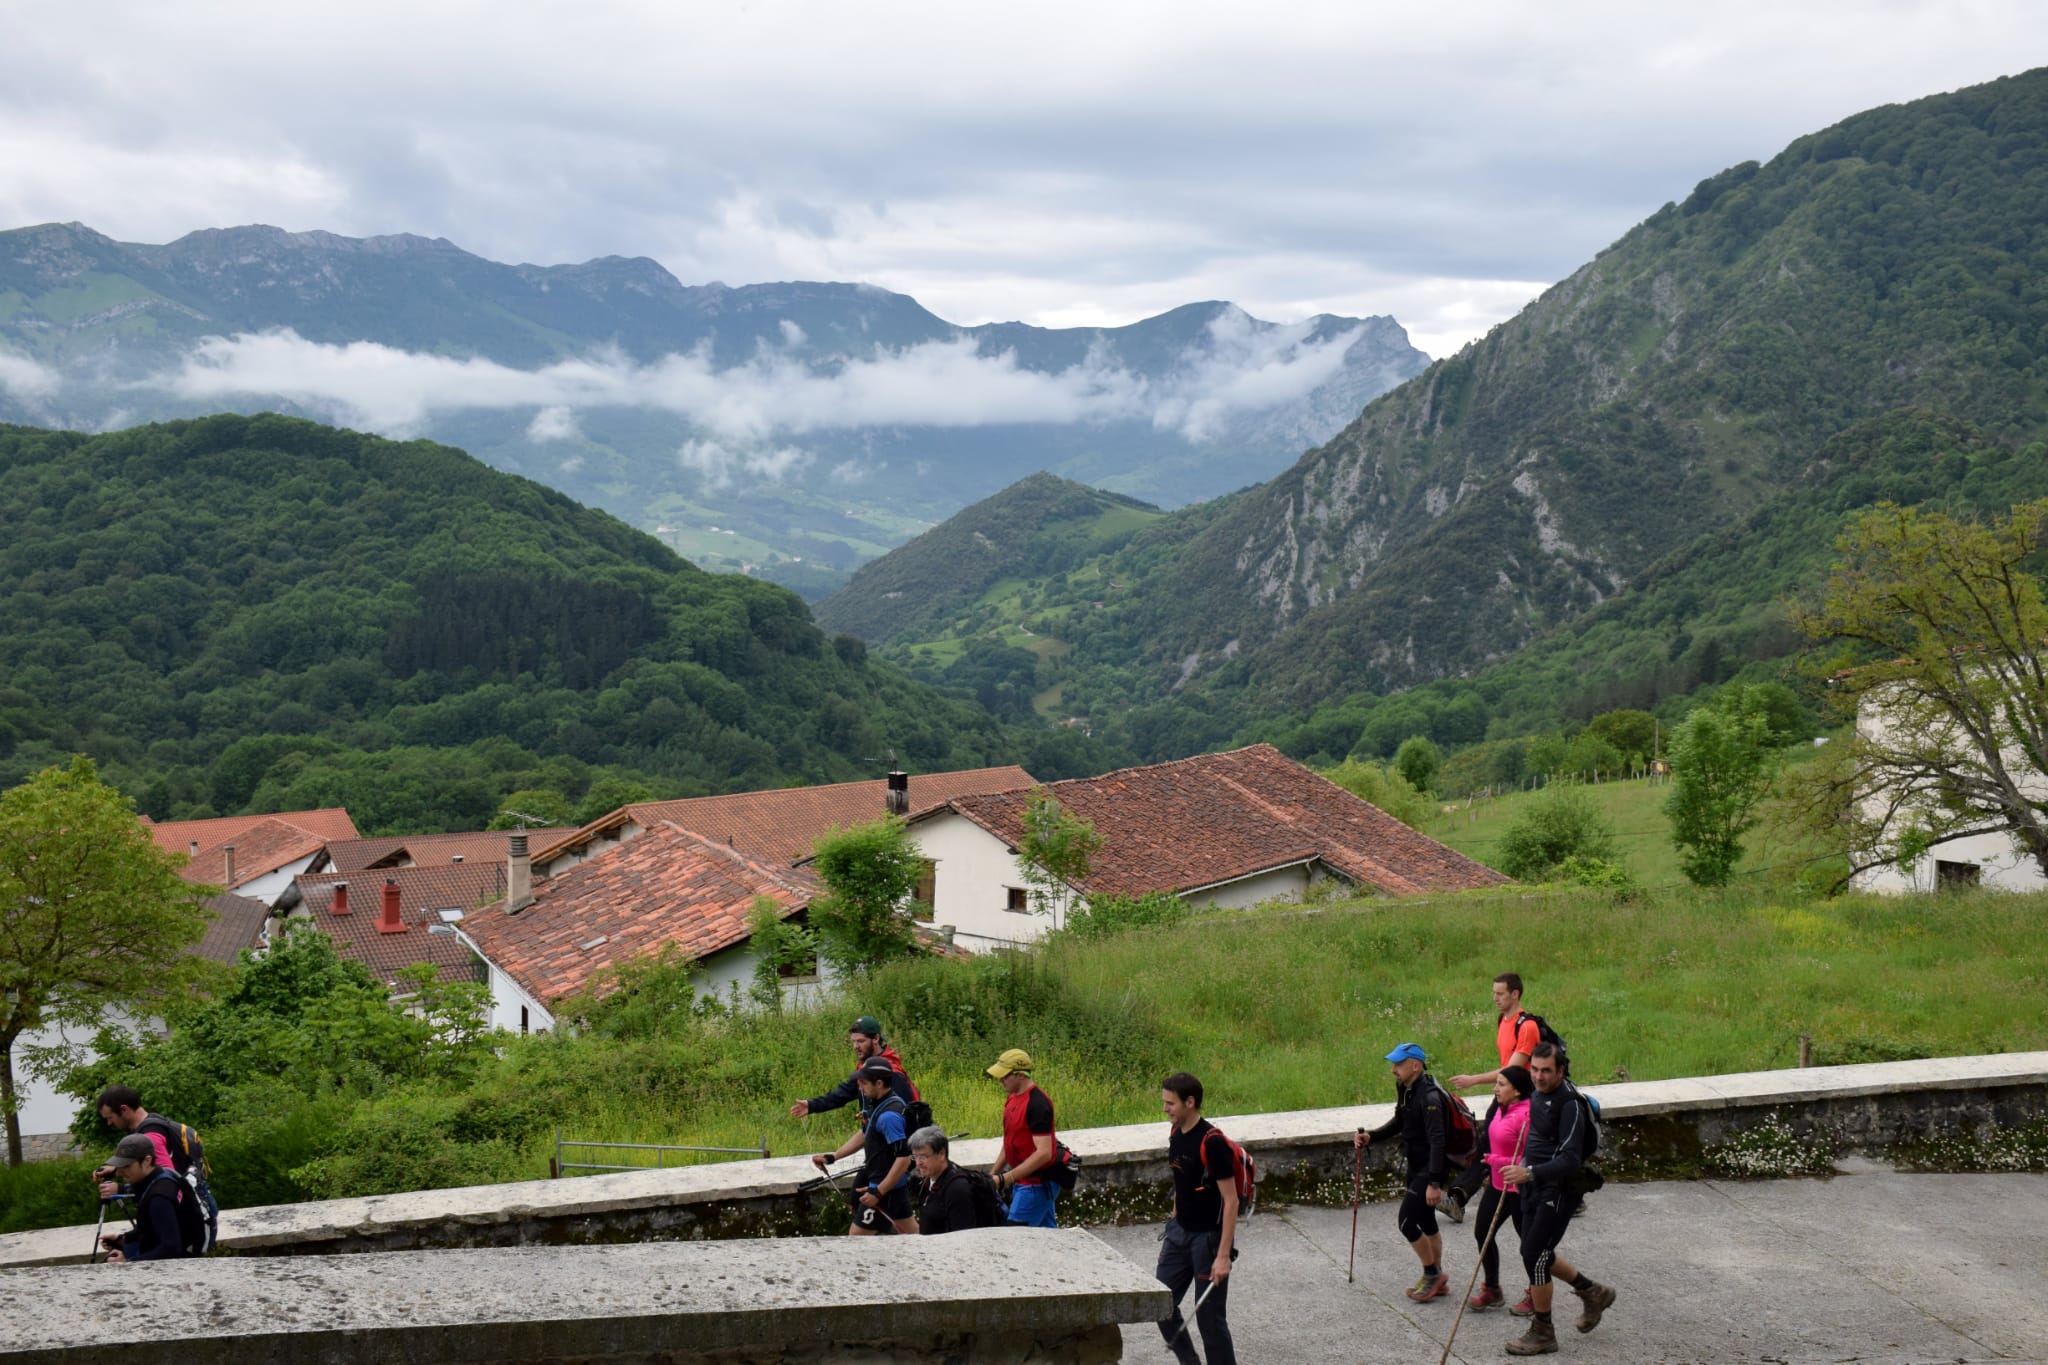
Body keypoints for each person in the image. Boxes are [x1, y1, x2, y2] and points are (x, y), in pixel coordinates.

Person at [1499, 1043, 1617, 1356]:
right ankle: (1593, 1291)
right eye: (1534, 1069)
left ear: (1560, 1070)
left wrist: (1530, 1173)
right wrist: (1523, 1162)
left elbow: (1569, 1159)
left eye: (1546, 1071)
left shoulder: (1569, 1104)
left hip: (1559, 1188)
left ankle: (1543, 1331)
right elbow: (1539, 1138)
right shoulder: (1538, 1093)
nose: (1538, 1076)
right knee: (1538, 1252)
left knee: (1534, 1253)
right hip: (1533, 1183)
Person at [1355, 1042, 1453, 1302]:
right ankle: (1438, 1277)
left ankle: (1432, 1273)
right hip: (1416, 1163)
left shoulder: (1430, 1098)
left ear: (1415, 1066)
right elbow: (1400, 1120)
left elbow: (1438, 1142)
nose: (1393, 1070)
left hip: (1430, 1167)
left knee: (1407, 1221)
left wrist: (1434, 1182)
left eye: (1398, 1064)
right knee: (1426, 1220)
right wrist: (1372, 1137)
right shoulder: (1406, 1088)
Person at [1444, 972, 1544, 1224]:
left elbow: (1513, 1069)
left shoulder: (1527, 1026)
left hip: (1523, 1096)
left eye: (1500, 994)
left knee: (1530, 1146)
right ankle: (1459, 1197)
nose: (1495, 998)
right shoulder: (1503, 1020)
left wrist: (1473, 1080)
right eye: (1494, 993)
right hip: (1505, 1093)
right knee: (1488, 1144)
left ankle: (1572, 1190)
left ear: (1515, 994)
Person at [1157, 1071, 1239, 1365]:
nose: (1165, 1109)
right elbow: (1182, 1177)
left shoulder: (1211, 1142)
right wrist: (1176, 1215)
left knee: (1210, 1321)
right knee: (1159, 1304)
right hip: (1179, 1234)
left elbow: (1231, 1202)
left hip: (1208, 1240)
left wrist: (1223, 1256)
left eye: (1170, 1103)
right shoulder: (1175, 1133)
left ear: (1190, 1102)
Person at [812, 1058, 917, 1235]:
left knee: (856, 1240)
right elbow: (865, 1133)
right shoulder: (881, 1104)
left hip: (883, 1191)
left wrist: (878, 1193)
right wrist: (834, 1157)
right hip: (891, 1190)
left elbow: (904, 1159)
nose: (859, 1086)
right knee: (915, 1238)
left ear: (879, 1083)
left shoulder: (889, 1116)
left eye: (863, 1082)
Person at [1467, 1065, 1534, 1314]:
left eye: (1502, 1084)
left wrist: (1498, 1162)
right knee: (1482, 1232)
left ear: (1517, 1090)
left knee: (1528, 1243)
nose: (1496, 1088)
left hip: (1520, 1189)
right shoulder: (1500, 1109)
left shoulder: (1528, 1115)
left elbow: (1530, 1158)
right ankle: (1492, 1289)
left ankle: (1535, 1294)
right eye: (1497, 1083)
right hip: (1497, 1185)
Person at [987, 1047, 1061, 1228]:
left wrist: (1006, 1178)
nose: (1000, 1080)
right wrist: (993, 1175)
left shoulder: (1037, 1104)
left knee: (1016, 1238)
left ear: (1021, 1075)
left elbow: (1044, 1152)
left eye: (1005, 1076)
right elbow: (1009, 1142)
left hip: (1036, 1184)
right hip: (1023, 1181)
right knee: (1049, 1239)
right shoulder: (1013, 1098)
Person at [790, 1016, 917, 1119]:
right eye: (853, 1041)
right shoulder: (865, 1067)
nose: (856, 1046)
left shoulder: (890, 1072)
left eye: (861, 1041)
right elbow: (843, 1093)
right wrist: (812, 1105)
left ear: (876, 1039)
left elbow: (905, 1112)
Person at [96, 1133, 197, 1262]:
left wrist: (128, 1263)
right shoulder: (160, 1176)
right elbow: (151, 1228)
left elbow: (171, 1248)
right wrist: (122, 1239)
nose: (120, 1172)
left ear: (147, 1161)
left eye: (126, 1166)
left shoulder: (159, 1196)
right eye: (119, 1165)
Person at [95, 1085, 206, 1195]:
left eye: (110, 1117)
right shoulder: (153, 1121)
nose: (109, 1123)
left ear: (124, 1109)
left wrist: (122, 1189)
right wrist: (116, 1170)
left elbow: (166, 1183)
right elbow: (149, 1168)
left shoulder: (151, 1135)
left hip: (181, 1210)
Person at [908, 1126, 1005, 1234]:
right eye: (915, 1157)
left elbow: (962, 1237)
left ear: (941, 1154)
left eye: (923, 1157)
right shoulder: (929, 1179)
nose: (918, 1163)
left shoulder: (957, 1189)